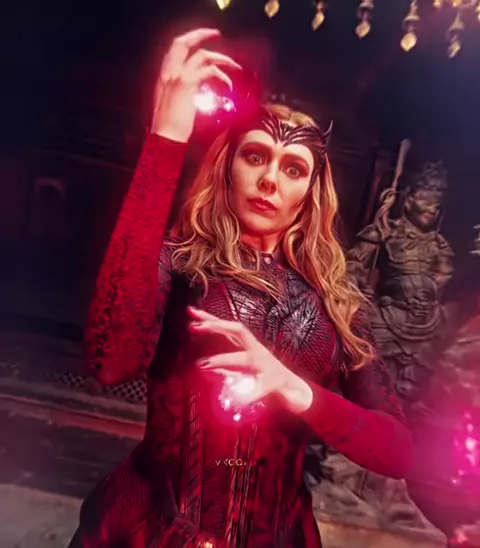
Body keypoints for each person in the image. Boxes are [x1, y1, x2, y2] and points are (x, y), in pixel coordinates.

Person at [69, 28, 412, 548]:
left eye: (293, 168)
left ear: (309, 195)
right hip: (149, 529)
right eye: (255, 156)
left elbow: (398, 452)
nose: (270, 179)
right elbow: (108, 363)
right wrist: (165, 138)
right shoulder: (179, 264)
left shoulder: (336, 303)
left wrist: (294, 388)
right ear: (227, 168)